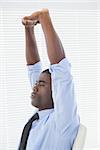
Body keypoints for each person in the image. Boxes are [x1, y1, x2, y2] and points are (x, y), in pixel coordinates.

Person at [19, 8, 80, 150]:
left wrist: (44, 18)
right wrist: (29, 28)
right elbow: (33, 67)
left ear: (57, 92)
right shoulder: (41, 115)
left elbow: (61, 70)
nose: (35, 87)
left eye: (41, 84)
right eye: (37, 83)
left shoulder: (62, 122)